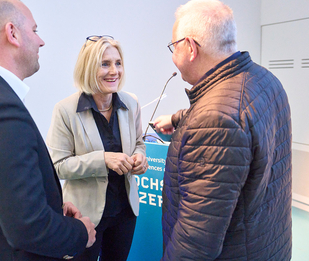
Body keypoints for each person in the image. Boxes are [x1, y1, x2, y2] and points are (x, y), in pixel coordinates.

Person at [0, 0, 96, 260]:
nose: (41, 41)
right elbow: (27, 227)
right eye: (35, 30)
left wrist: (51, 208)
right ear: (12, 33)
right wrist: (80, 232)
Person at [152, 0, 292, 260]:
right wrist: (179, 118)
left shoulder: (214, 121)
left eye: (174, 47)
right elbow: (241, 116)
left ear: (191, 48)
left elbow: (194, 243)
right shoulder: (266, 81)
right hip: (269, 245)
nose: (173, 57)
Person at [46, 35, 148, 261]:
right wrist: (102, 160)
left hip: (125, 211)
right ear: (89, 67)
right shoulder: (65, 110)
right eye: (105, 64)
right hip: (85, 216)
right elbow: (57, 165)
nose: (114, 71)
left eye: (118, 63)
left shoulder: (131, 103)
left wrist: (140, 157)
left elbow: (139, 143)